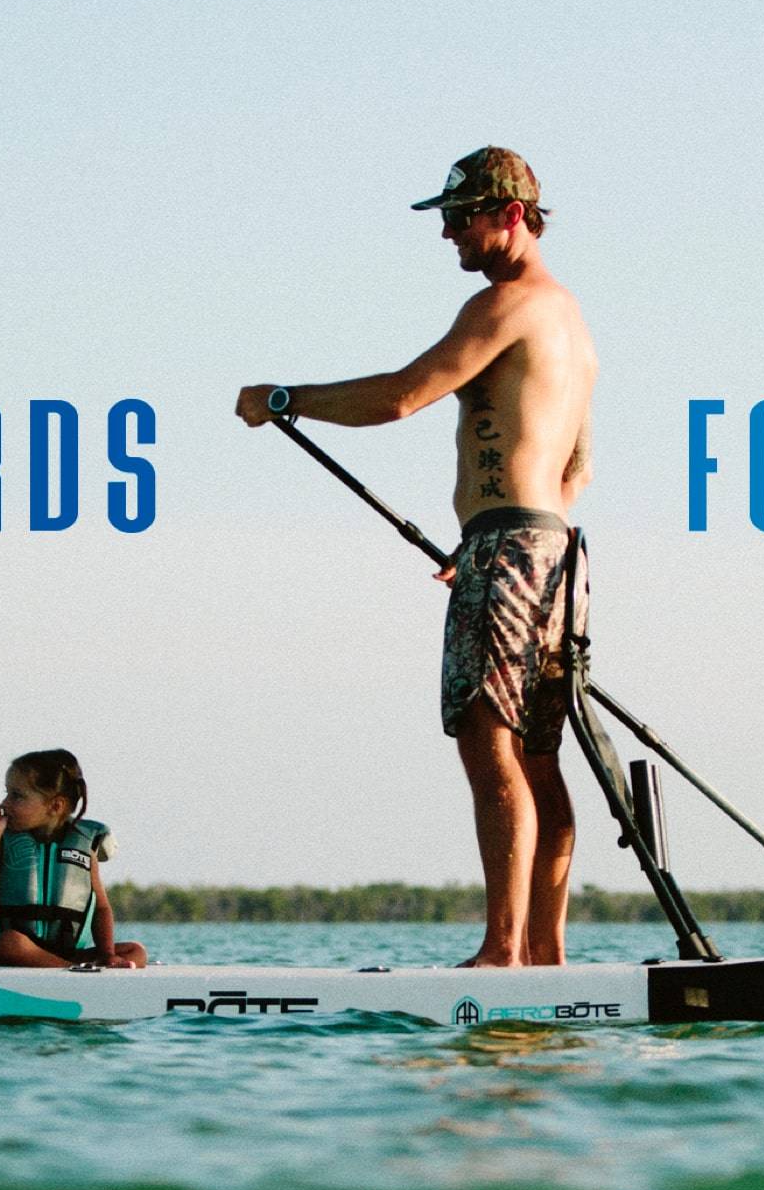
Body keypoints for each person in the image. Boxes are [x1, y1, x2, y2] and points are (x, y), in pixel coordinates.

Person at [235, 147, 596, 967]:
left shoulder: (504, 303)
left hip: (511, 548)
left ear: (510, 216)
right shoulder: (573, 323)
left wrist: (285, 399)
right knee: (540, 753)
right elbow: (576, 470)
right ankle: (545, 955)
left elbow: (402, 395)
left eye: (460, 217)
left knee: (490, 739)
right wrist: (506, 546)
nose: (447, 235)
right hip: (552, 548)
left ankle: (502, 952)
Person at [0, 748, 148, 969]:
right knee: (9, 944)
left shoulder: (83, 842)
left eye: (17, 795)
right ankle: (71, 971)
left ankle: (73, 967)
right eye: (7, 793)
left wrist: (107, 953)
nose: (5, 802)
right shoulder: (2, 838)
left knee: (136, 951)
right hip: (19, 950)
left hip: (68, 953)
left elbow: (101, 908)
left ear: (55, 806)